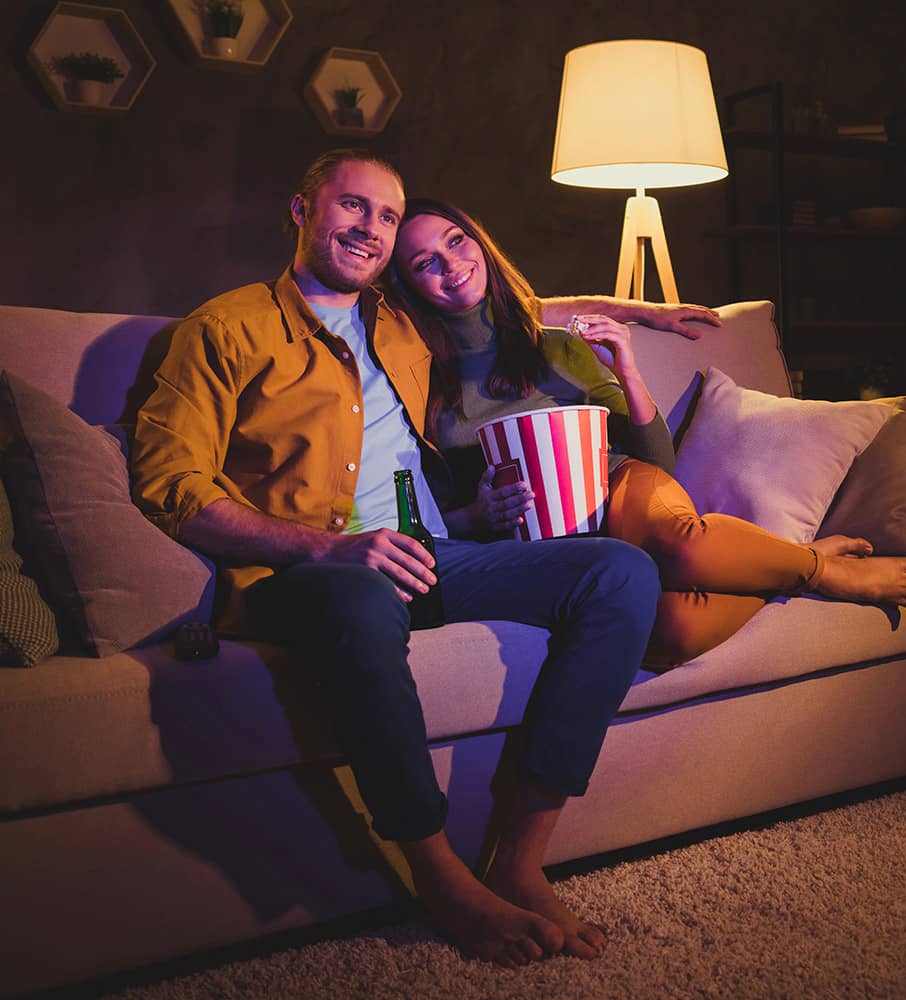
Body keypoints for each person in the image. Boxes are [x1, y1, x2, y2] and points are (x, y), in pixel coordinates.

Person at [130, 149, 665, 968]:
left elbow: (492, 293)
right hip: (300, 574)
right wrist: (333, 546)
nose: (371, 228)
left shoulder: (400, 321)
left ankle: (520, 858)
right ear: (302, 210)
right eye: (353, 207)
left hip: (433, 552)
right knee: (361, 596)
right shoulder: (224, 329)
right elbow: (170, 485)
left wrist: (647, 314)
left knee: (618, 571)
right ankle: (439, 873)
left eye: (387, 216)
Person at [384, 198, 906, 667]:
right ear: (407, 286)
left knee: (684, 545)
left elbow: (660, 462)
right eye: (425, 261)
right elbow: (433, 510)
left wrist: (626, 361)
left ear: (478, 242)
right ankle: (803, 559)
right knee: (666, 631)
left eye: (457, 241)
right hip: (548, 541)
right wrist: (478, 516)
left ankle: (829, 575)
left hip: (622, 481)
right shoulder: (418, 383)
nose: (451, 264)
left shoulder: (553, 346)